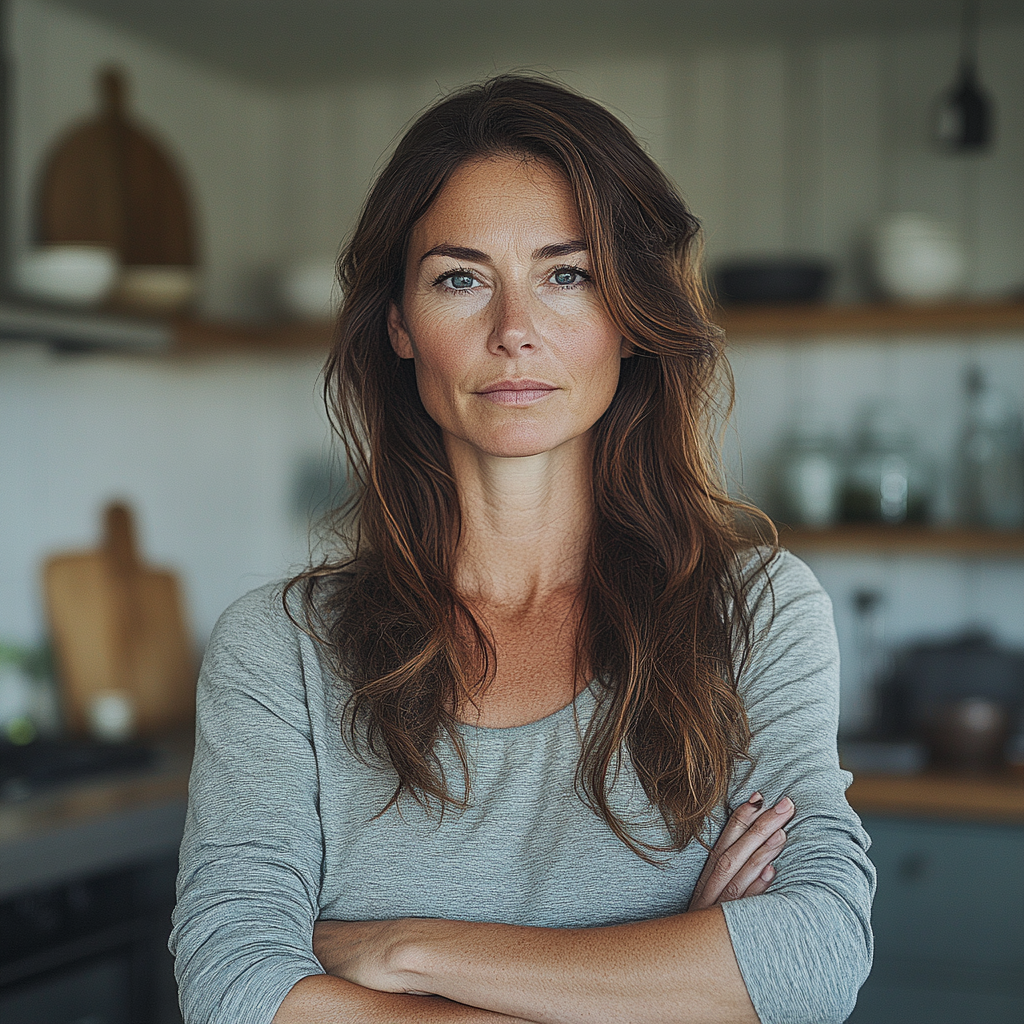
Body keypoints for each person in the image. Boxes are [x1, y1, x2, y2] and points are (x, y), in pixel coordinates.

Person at [170, 75, 874, 1024]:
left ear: (628, 317)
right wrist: (669, 988)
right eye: (460, 278)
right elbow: (234, 987)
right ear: (400, 326)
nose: (514, 333)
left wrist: (400, 949)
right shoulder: (280, 649)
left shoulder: (755, 613)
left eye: (567, 274)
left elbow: (817, 959)